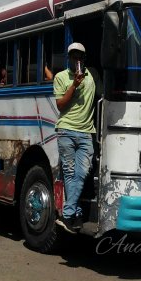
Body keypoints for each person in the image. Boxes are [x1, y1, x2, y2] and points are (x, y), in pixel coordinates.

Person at [53, 42, 96, 233]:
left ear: (84, 59)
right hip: (66, 131)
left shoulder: (93, 76)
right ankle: (74, 214)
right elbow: (60, 105)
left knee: (82, 173)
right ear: (68, 58)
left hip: (86, 131)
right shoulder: (61, 77)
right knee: (70, 174)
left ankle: (68, 215)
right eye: (73, 56)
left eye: (79, 56)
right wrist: (74, 85)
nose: (76, 59)